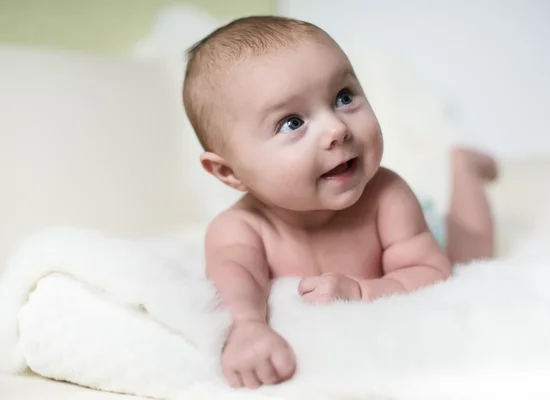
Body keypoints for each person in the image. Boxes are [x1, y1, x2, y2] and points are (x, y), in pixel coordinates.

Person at [182, 15, 498, 390]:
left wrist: (363, 292)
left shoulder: (387, 195)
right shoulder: (238, 230)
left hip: (427, 231)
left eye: (343, 97)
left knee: (475, 248)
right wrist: (247, 329)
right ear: (228, 172)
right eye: (292, 122)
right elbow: (234, 286)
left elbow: (431, 272)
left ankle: (464, 164)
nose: (337, 129)